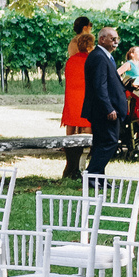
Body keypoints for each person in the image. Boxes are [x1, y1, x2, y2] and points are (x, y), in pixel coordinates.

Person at [85, 26, 130, 175]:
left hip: (105, 109)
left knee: (102, 143)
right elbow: (100, 86)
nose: (116, 42)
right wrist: (108, 108)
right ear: (102, 39)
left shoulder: (105, 56)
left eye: (117, 39)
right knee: (109, 142)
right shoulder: (99, 57)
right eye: (113, 39)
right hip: (104, 111)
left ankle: (98, 177)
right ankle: (92, 174)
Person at [59, 16, 94, 181]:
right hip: (83, 91)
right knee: (86, 120)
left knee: (72, 119)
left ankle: (69, 149)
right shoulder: (89, 57)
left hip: (72, 90)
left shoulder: (71, 58)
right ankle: (86, 150)